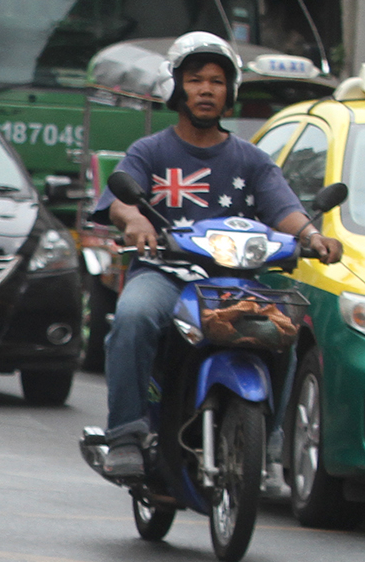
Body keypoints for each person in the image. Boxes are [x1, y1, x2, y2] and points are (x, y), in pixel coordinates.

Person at [94, 31, 344, 479]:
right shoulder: (150, 151)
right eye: (195, 80)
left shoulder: (251, 160)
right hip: (164, 274)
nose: (206, 89)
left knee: (282, 329)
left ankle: (269, 443)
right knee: (132, 315)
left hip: (236, 283)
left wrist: (312, 236)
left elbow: (284, 208)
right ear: (176, 88)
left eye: (216, 81)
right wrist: (135, 221)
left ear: (230, 92)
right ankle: (125, 434)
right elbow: (120, 202)